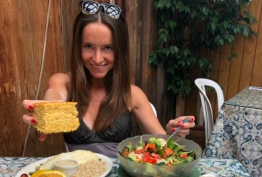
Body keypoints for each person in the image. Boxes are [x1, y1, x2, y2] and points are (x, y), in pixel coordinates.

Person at [22, 0, 195, 157]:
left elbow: (164, 143)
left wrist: (172, 131)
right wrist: (50, 106)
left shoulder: (132, 93)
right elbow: (54, 93)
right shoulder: (64, 82)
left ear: (120, 50)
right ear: (78, 47)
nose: (97, 59)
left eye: (108, 48)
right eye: (88, 46)